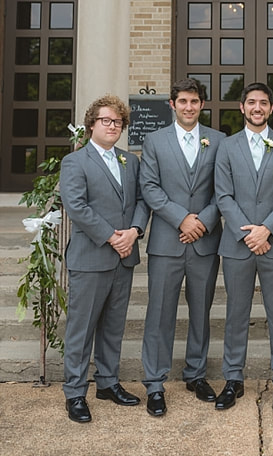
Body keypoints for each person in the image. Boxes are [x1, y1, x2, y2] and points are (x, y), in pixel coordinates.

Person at [60, 95, 148, 423]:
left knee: (113, 327)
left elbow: (142, 199)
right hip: (92, 257)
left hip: (124, 257)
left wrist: (134, 231)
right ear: (92, 124)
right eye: (106, 121)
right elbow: (77, 207)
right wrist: (113, 236)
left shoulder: (131, 161)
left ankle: (108, 383)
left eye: (118, 122)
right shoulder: (76, 162)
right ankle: (75, 392)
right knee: (81, 330)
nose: (112, 126)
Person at [213, 82, 273, 413]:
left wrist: (267, 230)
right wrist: (248, 232)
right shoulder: (226, 146)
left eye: (263, 102)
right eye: (251, 102)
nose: (257, 107)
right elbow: (223, 195)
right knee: (236, 314)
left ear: (271, 109)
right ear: (242, 107)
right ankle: (233, 379)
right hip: (237, 244)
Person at [139, 78, 224, 416]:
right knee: (159, 313)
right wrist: (181, 220)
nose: (189, 107)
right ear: (172, 105)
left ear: (202, 104)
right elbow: (149, 186)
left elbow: (225, 188)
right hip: (167, 240)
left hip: (204, 240)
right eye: (183, 101)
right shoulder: (154, 141)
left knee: (200, 312)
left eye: (195, 101)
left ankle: (196, 373)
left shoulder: (218, 141)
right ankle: (155, 384)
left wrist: (201, 221)